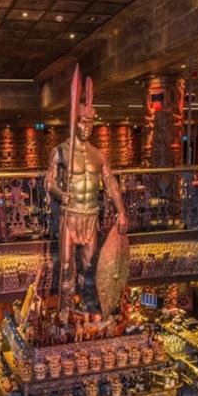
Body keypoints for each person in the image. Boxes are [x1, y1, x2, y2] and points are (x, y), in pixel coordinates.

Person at [45, 72, 127, 319]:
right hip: (70, 216)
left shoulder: (98, 155)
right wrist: (60, 193)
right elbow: (48, 181)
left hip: (91, 216)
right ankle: (65, 309)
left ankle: (88, 306)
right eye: (82, 122)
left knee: (90, 267)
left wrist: (122, 211)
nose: (86, 128)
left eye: (91, 124)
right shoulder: (60, 152)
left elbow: (110, 183)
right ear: (74, 122)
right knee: (66, 266)